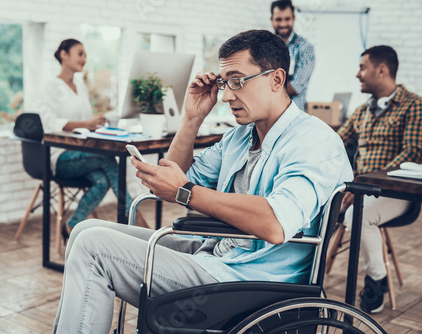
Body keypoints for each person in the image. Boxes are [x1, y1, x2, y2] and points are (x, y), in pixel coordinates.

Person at [52, 30, 352, 333]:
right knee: (85, 229)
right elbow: (183, 177)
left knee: (94, 248)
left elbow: (275, 223)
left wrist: (185, 192)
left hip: (251, 280)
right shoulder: (239, 137)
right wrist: (191, 119)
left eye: (237, 81)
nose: (226, 96)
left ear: (276, 79)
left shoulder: (314, 142)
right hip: (219, 252)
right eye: (224, 83)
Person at [338, 45, 422, 314]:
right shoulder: (363, 111)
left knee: (357, 216)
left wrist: (363, 182)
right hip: (360, 189)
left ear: (381, 70)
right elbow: (338, 140)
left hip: (399, 194)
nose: (357, 74)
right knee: (318, 203)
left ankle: (377, 279)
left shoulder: (414, 105)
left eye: (362, 67)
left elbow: (412, 152)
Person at [37, 39, 147, 235]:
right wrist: (85, 124)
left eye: (85, 55)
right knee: (107, 159)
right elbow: (49, 123)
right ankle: (134, 216)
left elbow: (84, 122)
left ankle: (72, 224)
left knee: (103, 181)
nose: (84, 59)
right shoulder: (51, 86)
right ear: (64, 54)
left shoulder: (81, 87)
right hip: (60, 158)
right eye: (80, 53)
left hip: (83, 154)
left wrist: (94, 123)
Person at [270, 0, 315, 112]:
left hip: (293, 115)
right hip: (268, 114)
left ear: (293, 18)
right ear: (272, 20)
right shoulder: (265, 46)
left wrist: (263, 88)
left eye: (287, 19)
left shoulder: (305, 48)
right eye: (278, 19)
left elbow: (296, 87)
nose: (283, 24)